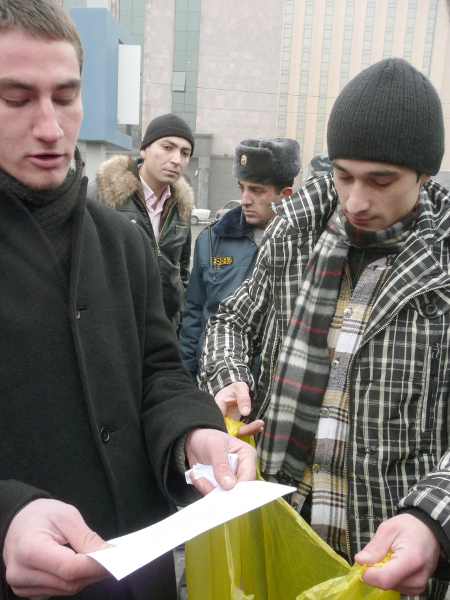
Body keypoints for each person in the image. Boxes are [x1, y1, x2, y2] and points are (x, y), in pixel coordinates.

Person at [0, 2, 256, 599]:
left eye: (66, 96)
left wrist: (194, 434)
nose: (50, 127)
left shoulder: (122, 241)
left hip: (142, 573)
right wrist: (7, 515)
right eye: (16, 99)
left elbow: (158, 372)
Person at [199, 58, 450, 599]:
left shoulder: (442, 262)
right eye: (343, 175)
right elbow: (232, 319)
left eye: (381, 180)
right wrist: (228, 375)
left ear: (424, 175)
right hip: (283, 518)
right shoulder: (296, 232)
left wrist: (433, 518)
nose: (356, 201)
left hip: (386, 548)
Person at [179, 137, 301, 382]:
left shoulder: (305, 246)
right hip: (215, 380)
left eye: (256, 190)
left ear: (285, 195)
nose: (244, 199)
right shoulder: (211, 239)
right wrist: (186, 378)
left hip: (274, 385)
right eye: (242, 188)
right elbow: (194, 313)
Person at [89, 113, 195, 329]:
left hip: (166, 329)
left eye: (185, 153)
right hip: (113, 328)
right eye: (167, 147)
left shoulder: (182, 207)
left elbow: (182, 271)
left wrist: (180, 320)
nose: (176, 159)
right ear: (144, 150)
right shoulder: (101, 196)